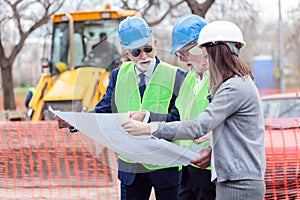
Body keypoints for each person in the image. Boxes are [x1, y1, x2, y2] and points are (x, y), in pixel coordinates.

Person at [122, 20, 266, 200]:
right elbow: (229, 128)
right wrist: (213, 144)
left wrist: (148, 128)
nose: (182, 59)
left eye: (205, 55)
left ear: (216, 53)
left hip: (229, 177)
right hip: (198, 170)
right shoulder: (195, 81)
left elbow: (199, 126)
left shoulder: (233, 87)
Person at [56, 16, 186, 200]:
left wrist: (148, 117)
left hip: (165, 167)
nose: (144, 55)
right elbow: (103, 110)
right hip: (131, 168)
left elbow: (179, 118)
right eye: (136, 52)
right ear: (126, 52)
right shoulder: (118, 76)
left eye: (148, 49)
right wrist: (75, 121)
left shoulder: (176, 76)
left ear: (154, 43)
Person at [170, 14, 216, 200]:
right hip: (187, 170)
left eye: (184, 53)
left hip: (211, 171)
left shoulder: (223, 80)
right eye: (178, 54)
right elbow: (177, 116)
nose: (181, 60)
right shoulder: (188, 79)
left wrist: (214, 144)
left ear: (202, 47)